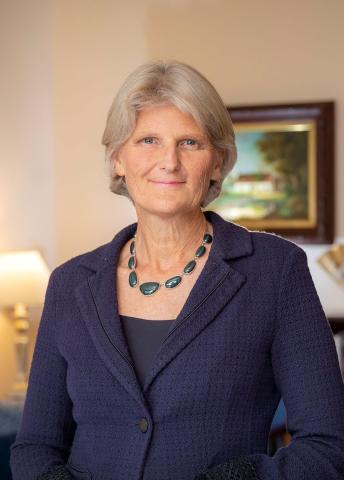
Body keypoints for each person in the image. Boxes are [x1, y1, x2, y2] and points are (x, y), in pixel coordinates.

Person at [10, 61, 344, 480]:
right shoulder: (70, 283)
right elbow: (35, 447)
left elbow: (328, 445)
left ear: (218, 162)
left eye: (190, 142)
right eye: (148, 140)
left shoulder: (275, 271)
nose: (168, 161)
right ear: (118, 159)